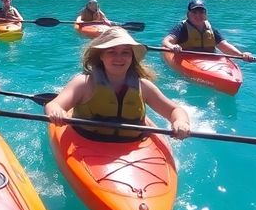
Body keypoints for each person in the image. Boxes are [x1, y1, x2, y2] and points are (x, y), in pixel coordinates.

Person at [46, 27, 190, 141]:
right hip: (86, 138)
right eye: (112, 52)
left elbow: (174, 110)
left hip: (132, 144)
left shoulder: (143, 86)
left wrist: (181, 122)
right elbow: (53, 104)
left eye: (125, 52)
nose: (119, 58)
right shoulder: (83, 83)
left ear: (131, 57)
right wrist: (56, 111)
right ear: (101, 55)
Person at [161, 0, 254, 61]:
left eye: (202, 12)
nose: (198, 15)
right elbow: (166, 41)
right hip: (187, 58)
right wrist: (172, 46)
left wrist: (242, 55)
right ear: (188, 14)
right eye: (194, 12)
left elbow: (224, 46)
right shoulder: (182, 27)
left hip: (209, 60)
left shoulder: (211, 29)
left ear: (206, 14)